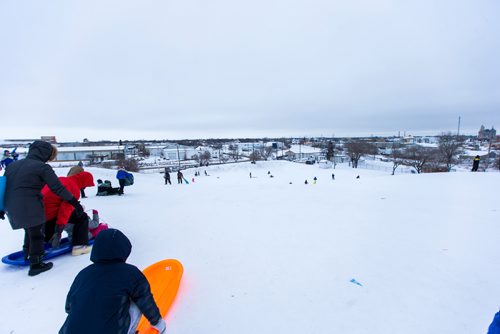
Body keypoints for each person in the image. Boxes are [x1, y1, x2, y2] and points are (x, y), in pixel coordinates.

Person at [59, 229, 167, 334]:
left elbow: (68, 307)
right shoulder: (131, 273)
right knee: (136, 300)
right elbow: (145, 301)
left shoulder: (83, 274)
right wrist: (158, 323)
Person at [1, 140, 84, 276]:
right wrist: (75, 202)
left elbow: (5, 186)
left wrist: (1, 207)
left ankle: (27, 253)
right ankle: (36, 264)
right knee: (37, 234)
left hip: (11, 205)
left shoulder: (12, 166)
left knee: (29, 230)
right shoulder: (42, 167)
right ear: (46, 153)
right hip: (31, 204)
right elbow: (57, 188)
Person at [42, 171, 95, 256]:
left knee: (48, 232)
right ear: (84, 182)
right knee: (82, 216)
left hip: (39, 212)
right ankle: (79, 246)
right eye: (86, 185)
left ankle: (42, 243)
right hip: (50, 214)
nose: (84, 188)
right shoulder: (74, 188)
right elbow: (64, 211)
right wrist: (59, 230)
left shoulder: (62, 179)